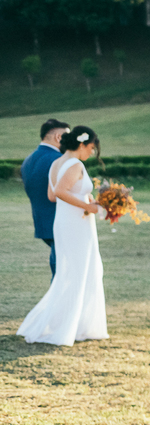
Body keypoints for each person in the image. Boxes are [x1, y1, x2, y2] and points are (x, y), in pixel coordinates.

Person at [18, 126, 109, 346]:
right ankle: (71, 327)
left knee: (73, 272)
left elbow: (52, 195)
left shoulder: (56, 163)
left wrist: (86, 204)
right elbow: (59, 193)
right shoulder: (75, 164)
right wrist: (92, 207)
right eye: (91, 149)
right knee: (80, 272)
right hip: (75, 226)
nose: (91, 154)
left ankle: (75, 324)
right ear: (82, 145)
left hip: (66, 222)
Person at [21, 118, 69, 277]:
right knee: (62, 272)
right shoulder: (58, 160)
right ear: (58, 138)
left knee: (60, 267)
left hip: (42, 223)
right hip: (61, 221)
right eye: (67, 137)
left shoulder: (28, 160)